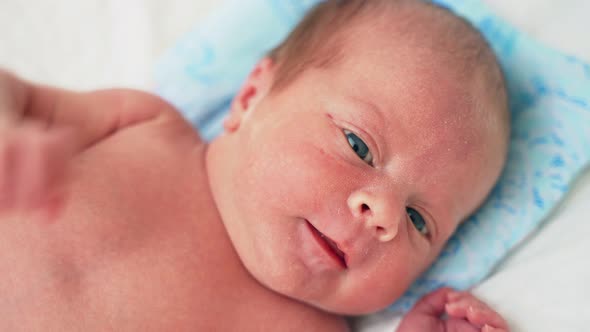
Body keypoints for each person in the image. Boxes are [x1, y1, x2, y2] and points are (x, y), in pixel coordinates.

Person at [0, 0, 511, 331]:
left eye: (419, 221)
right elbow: (18, 96)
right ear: (250, 96)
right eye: (359, 145)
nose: (382, 215)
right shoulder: (143, 124)